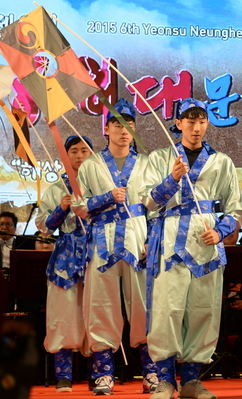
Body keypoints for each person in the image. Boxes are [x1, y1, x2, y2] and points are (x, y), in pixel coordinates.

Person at [143, 98, 242, 399]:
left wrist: (222, 230)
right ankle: (164, 381)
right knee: (166, 311)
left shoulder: (221, 161)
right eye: (190, 120)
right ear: (178, 123)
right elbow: (147, 203)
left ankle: (190, 381)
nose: (196, 127)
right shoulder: (161, 158)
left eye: (201, 121)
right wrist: (172, 179)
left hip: (206, 246)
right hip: (170, 243)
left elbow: (235, 209)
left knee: (203, 311)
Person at [75, 99, 157, 395]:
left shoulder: (147, 163)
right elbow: (79, 207)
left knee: (143, 307)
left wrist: (152, 239)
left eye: (130, 125)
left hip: (137, 242)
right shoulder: (91, 164)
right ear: (106, 129)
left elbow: (156, 206)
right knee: (101, 306)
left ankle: (151, 373)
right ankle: (103, 375)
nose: (125, 131)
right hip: (103, 242)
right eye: (118, 125)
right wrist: (106, 197)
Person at [36, 135, 93, 392]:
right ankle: (63, 376)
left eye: (85, 150)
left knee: (98, 313)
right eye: (74, 151)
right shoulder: (57, 188)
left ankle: (100, 374)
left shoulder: (101, 185)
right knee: (63, 316)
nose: (80, 155)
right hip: (65, 257)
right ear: (66, 156)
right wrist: (61, 209)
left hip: (96, 254)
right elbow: (44, 227)